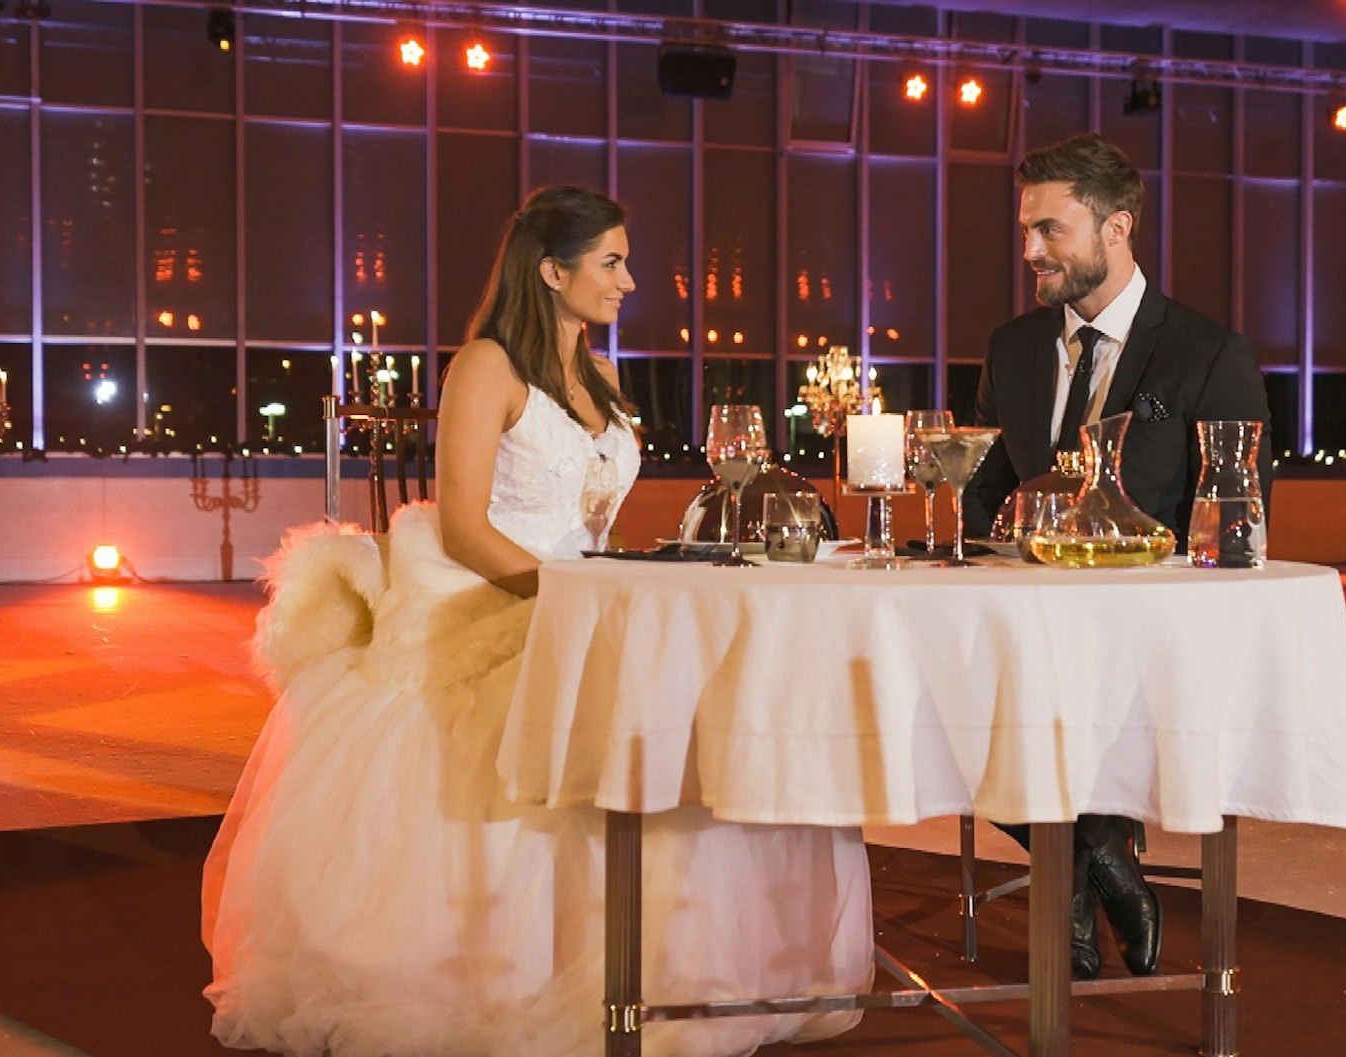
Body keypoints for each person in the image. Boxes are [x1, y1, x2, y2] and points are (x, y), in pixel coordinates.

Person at [203, 185, 872, 1057]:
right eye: (612, 262)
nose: (629, 280)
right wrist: (567, 595)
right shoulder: (486, 366)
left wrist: (627, 573)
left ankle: (682, 961)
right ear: (553, 271)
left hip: (587, 580)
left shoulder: (599, 372)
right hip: (494, 590)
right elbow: (465, 524)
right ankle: (526, 964)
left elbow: (593, 515)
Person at [963, 134, 1273, 981]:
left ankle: (1073, 878)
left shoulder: (1210, 354)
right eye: (1026, 230)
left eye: (1050, 230)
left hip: (1145, 646)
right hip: (1023, 634)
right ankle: (1100, 851)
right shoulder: (1012, 347)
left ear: (1117, 229)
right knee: (936, 691)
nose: (1029, 250)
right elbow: (981, 493)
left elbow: (1241, 521)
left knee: (1010, 714)